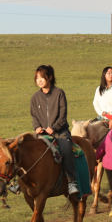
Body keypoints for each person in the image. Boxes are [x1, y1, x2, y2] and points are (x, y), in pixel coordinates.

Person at [31, 64, 79, 197]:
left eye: (42, 77)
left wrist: (54, 128)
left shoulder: (59, 93)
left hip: (60, 132)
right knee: (26, 148)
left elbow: (62, 116)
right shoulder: (35, 97)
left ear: (50, 77)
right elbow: (34, 116)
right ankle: (21, 181)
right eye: (37, 78)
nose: (39, 80)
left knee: (66, 150)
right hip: (41, 133)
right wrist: (37, 127)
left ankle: (71, 181)